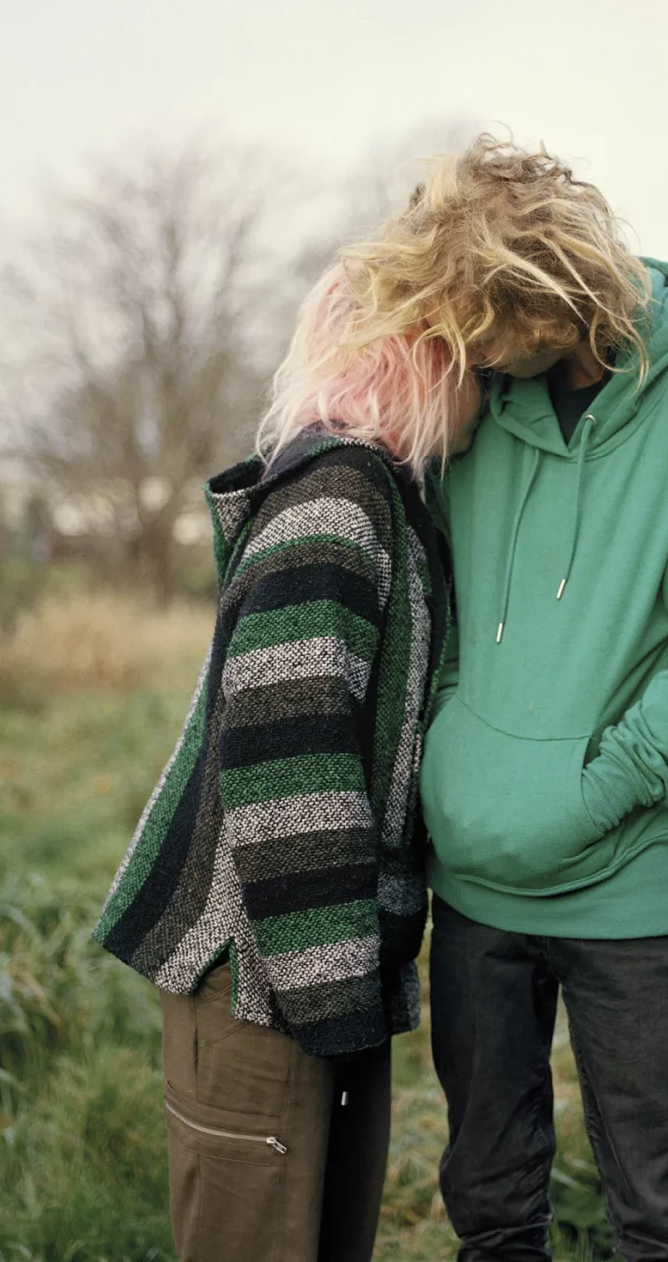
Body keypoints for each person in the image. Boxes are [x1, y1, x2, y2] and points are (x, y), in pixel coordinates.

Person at [411, 136, 668, 1261]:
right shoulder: (473, 402)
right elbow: (433, 602)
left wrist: (596, 788)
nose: (463, 346)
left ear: (550, 298)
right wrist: (453, 763)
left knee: (658, 1217)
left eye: (481, 320)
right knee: (488, 1204)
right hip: (475, 879)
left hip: (628, 880)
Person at [92, 258, 482, 1262]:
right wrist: (337, 1000)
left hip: (315, 972)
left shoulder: (380, 495)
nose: (486, 382)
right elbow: (285, 757)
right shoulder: (337, 496)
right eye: (468, 354)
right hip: (266, 974)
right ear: (417, 355)